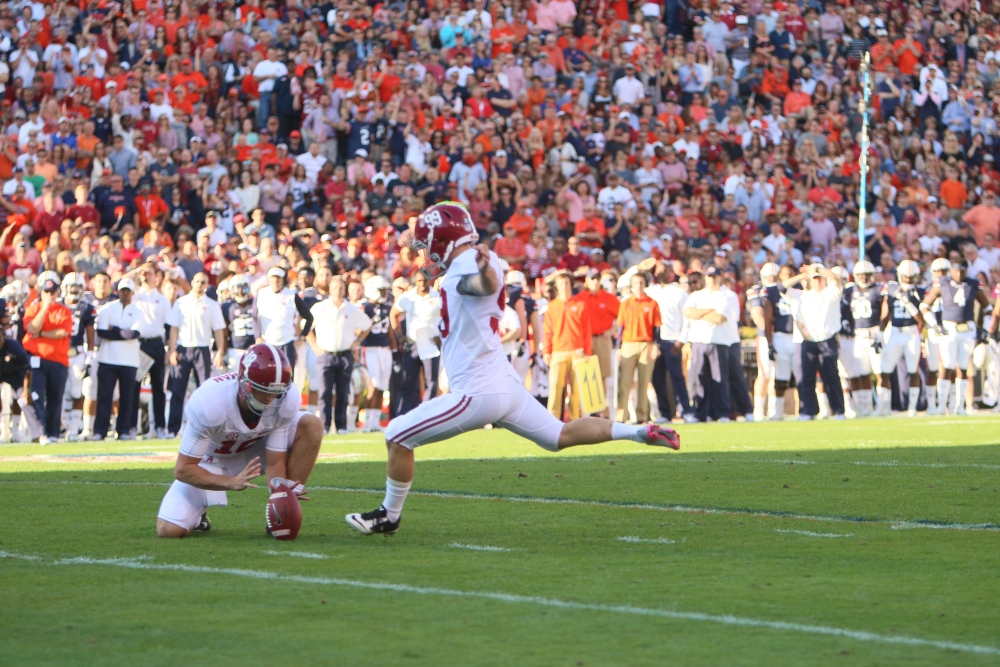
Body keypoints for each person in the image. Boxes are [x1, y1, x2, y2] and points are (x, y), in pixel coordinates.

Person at [345, 203, 679, 536]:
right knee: (558, 435)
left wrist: (484, 272)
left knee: (397, 434)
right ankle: (637, 432)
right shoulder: (477, 259)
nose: (426, 254)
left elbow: (483, 285)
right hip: (504, 382)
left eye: (429, 243)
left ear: (442, 239)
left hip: (478, 391)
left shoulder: (467, 267)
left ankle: (389, 515)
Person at [155, 344, 323, 538]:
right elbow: (183, 468)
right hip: (212, 460)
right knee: (169, 530)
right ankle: (198, 515)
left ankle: (284, 511)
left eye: (276, 392)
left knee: (312, 425)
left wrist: (281, 492)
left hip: (253, 451)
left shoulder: (285, 399)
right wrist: (229, 482)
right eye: (264, 391)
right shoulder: (210, 403)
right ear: (245, 384)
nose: (271, 399)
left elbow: (275, 461)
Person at [921, 259, 990, 414]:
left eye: (962, 270)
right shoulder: (943, 283)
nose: (958, 274)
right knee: (947, 366)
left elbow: (989, 308)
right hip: (949, 328)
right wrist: (934, 324)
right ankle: (941, 406)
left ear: (967, 270)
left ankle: (960, 406)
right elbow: (925, 305)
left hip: (967, 329)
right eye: (956, 270)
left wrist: (984, 329)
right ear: (951, 270)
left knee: (963, 367)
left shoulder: (973, 284)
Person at [165, 272, 228, 436]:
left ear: (207, 285)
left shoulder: (212, 305)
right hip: (183, 348)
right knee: (178, 389)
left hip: (202, 349)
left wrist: (220, 351)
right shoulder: (181, 303)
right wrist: (172, 350)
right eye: (197, 281)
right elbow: (174, 328)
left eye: (203, 282)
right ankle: (173, 429)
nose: (200, 284)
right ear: (192, 282)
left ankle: (204, 427)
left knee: (204, 390)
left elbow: (219, 330)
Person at [308, 276, 372, 434]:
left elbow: (367, 325)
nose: (338, 291)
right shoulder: (319, 307)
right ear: (330, 289)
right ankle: (324, 426)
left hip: (345, 355)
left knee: (344, 392)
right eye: (335, 288)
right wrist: (314, 344)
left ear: (345, 290)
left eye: (341, 288)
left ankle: (341, 426)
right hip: (325, 355)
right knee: (324, 392)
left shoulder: (351, 309)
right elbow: (306, 327)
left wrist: (357, 341)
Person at [22, 276, 73, 444]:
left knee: (55, 398)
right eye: (46, 291)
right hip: (36, 359)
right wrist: (44, 307)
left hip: (58, 360)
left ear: (58, 292)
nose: (50, 294)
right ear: (41, 292)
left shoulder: (64, 310)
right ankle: (41, 432)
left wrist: (42, 334)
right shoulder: (33, 309)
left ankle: (53, 433)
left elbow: (63, 332)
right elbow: (31, 328)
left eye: (52, 291)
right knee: (35, 395)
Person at [91, 278, 142, 440]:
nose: (125, 293)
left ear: (133, 293)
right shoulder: (107, 309)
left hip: (129, 361)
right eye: (122, 290)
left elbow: (134, 334)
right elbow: (102, 332)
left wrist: (115, 330)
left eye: (128, 291)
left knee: (127, 398)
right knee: (104, 397)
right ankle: (100, 430)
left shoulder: (138, 311)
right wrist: (122, 332)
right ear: (118, 292)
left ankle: (123, 430)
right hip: (107, 359)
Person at [794, 264, 845, 420]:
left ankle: (838, 410)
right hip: (809, 341)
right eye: (814, 279)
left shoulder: (831, 293)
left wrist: (817, 270)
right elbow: (798, 319)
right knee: (807, 377)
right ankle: (808, 411)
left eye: (819, 279)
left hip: (827, 339)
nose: (817, 282)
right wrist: (803, 331)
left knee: (831, 377)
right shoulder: (805, 297)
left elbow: (836, 279)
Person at [683, 266, 734, 422]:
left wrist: (698, 314)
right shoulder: (697, 295)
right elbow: (687, 312)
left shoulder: (727, 295)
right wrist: (709, 310)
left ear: (720, 277)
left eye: (714, 276)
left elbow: (720, 318)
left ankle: (722, 412)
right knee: (698, 378)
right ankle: (700, 413)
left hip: (719, 340)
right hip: (699, 340)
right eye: (709, 276)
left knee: (720, 379)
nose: (712, 279)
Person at [877, 260, 924, 417]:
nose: (908, 280)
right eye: (906, 276)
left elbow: (921, 319)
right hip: (895, 332)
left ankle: (912, 406)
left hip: (911, 332)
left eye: (911, 277)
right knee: (885, 370)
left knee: (913, 370)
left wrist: (906, 301)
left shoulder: (919, 291)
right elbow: (885, 314)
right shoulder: (891, 288)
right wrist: (879, 333)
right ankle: (883, 406)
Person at [615, 272, 661, 424]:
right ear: (631, 285)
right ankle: (622, 415)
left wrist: (655, 345)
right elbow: (621, 326)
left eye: (641, 283)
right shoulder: (626, 304)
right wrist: (619, 347)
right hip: (628, 343)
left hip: (646, 344)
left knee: (644, 381)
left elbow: (656, 327)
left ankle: (642, 416)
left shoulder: (652, 303)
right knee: (625, 382)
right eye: (636, 283)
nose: (639, 286)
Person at [132, 265, 171, 438]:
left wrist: (170, 349)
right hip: (138, 344)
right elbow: (118, 282)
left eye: (150, 273)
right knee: (134, 385)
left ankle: (160, 426)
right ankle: (132, 426)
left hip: (156, 343)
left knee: (158, 387)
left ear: (157, 277)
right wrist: (137, 271)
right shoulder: (134, 296)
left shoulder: (162, 300)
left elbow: (168, 326)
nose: (146, 276)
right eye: (144, 273)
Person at [251, 266, 313, 368]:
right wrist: (257, 337)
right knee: (267, 376)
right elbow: (254, 317)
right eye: (273, 278)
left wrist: (302, 337)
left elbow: (309, 317)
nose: (275, 281)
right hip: (267, 343)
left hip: (287, 343)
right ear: (269, 279)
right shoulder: (261, 294)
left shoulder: (292, 295)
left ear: (283, 279)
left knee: (287, 377)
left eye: (278, 278)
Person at [59, 272, 96, 441]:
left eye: (77, 287)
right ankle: (62, 425)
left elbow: (90, 335)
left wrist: (89, 355)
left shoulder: (87, 308)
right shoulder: (58, 305)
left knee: (76, 391)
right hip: (59, 352)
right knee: (59, 390)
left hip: (77, 352)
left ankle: (74, 428)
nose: (74, 290)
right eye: (71, 286)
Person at [845, 261, 883, 418]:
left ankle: (882, 406)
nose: (864, 277)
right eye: (861, 275)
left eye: (867, 275)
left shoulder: (878, 289)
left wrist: (881, 333)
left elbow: (885, 311)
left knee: (881, 371)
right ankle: (865, 407)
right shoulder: (849, 290)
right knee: (862, 373)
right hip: (857, 335)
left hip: (874, 333)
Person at [359, 275, 393, 431]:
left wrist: (394, 348)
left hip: (385, 349)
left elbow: (390, 330)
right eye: (382, 290)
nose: (385, 293)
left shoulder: (386, 307)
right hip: (370, 348)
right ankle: (368, 421)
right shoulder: (364, 307)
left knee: (382, 386)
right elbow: (359, 332)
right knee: (373, 384)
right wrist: (370, 321)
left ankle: (376, 421)